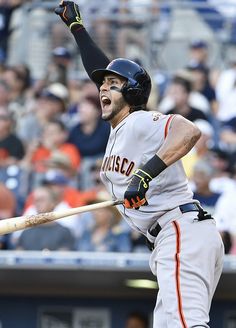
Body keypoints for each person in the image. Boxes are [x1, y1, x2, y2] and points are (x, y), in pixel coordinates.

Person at [55, 2, 224, 327]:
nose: (103, 87)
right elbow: (103, 72)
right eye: (102, 85)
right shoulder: (121, 129)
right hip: (175, 235)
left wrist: (144, 175)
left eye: (112, 84)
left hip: (179, 230)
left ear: (131, 93)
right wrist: (77, 29)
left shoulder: (140, 120)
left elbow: (189, 131)